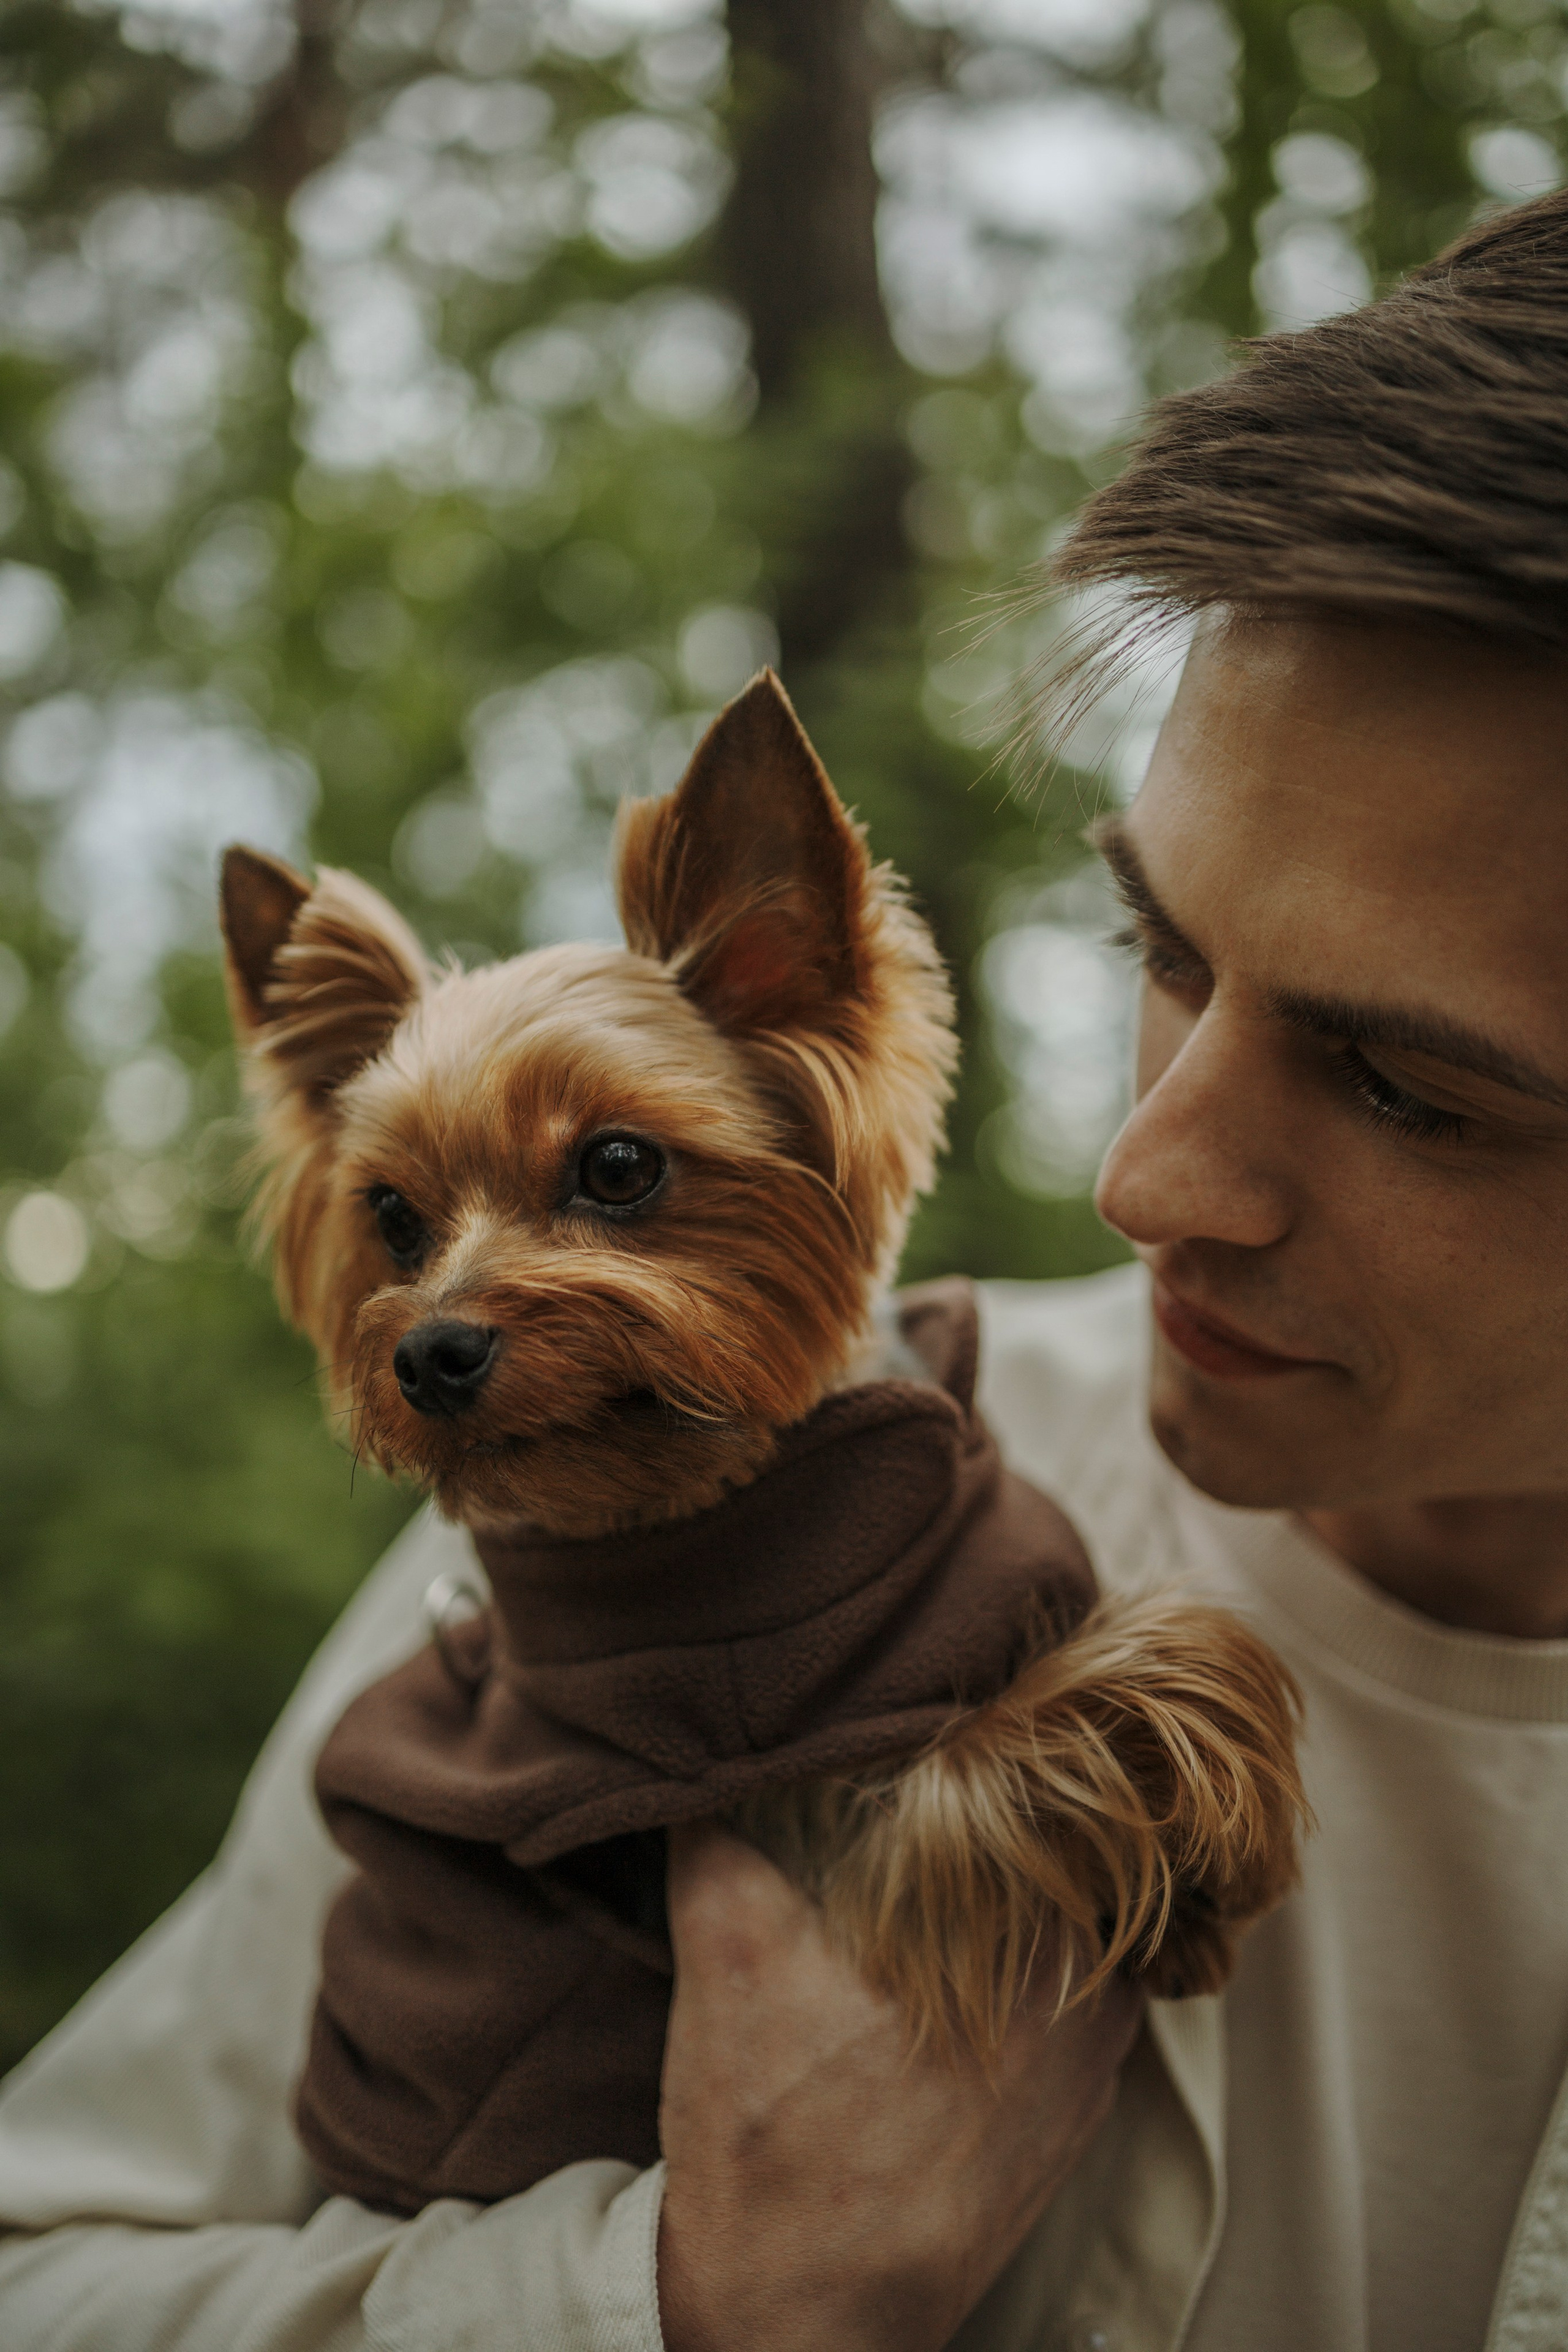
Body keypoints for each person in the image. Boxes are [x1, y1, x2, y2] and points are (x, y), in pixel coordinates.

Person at [6, 186, 1568, 2352]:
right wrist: (670, 2304)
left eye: (1407, 1086)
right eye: (1161, 952)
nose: (1137, 1178)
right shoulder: (627, 1530)